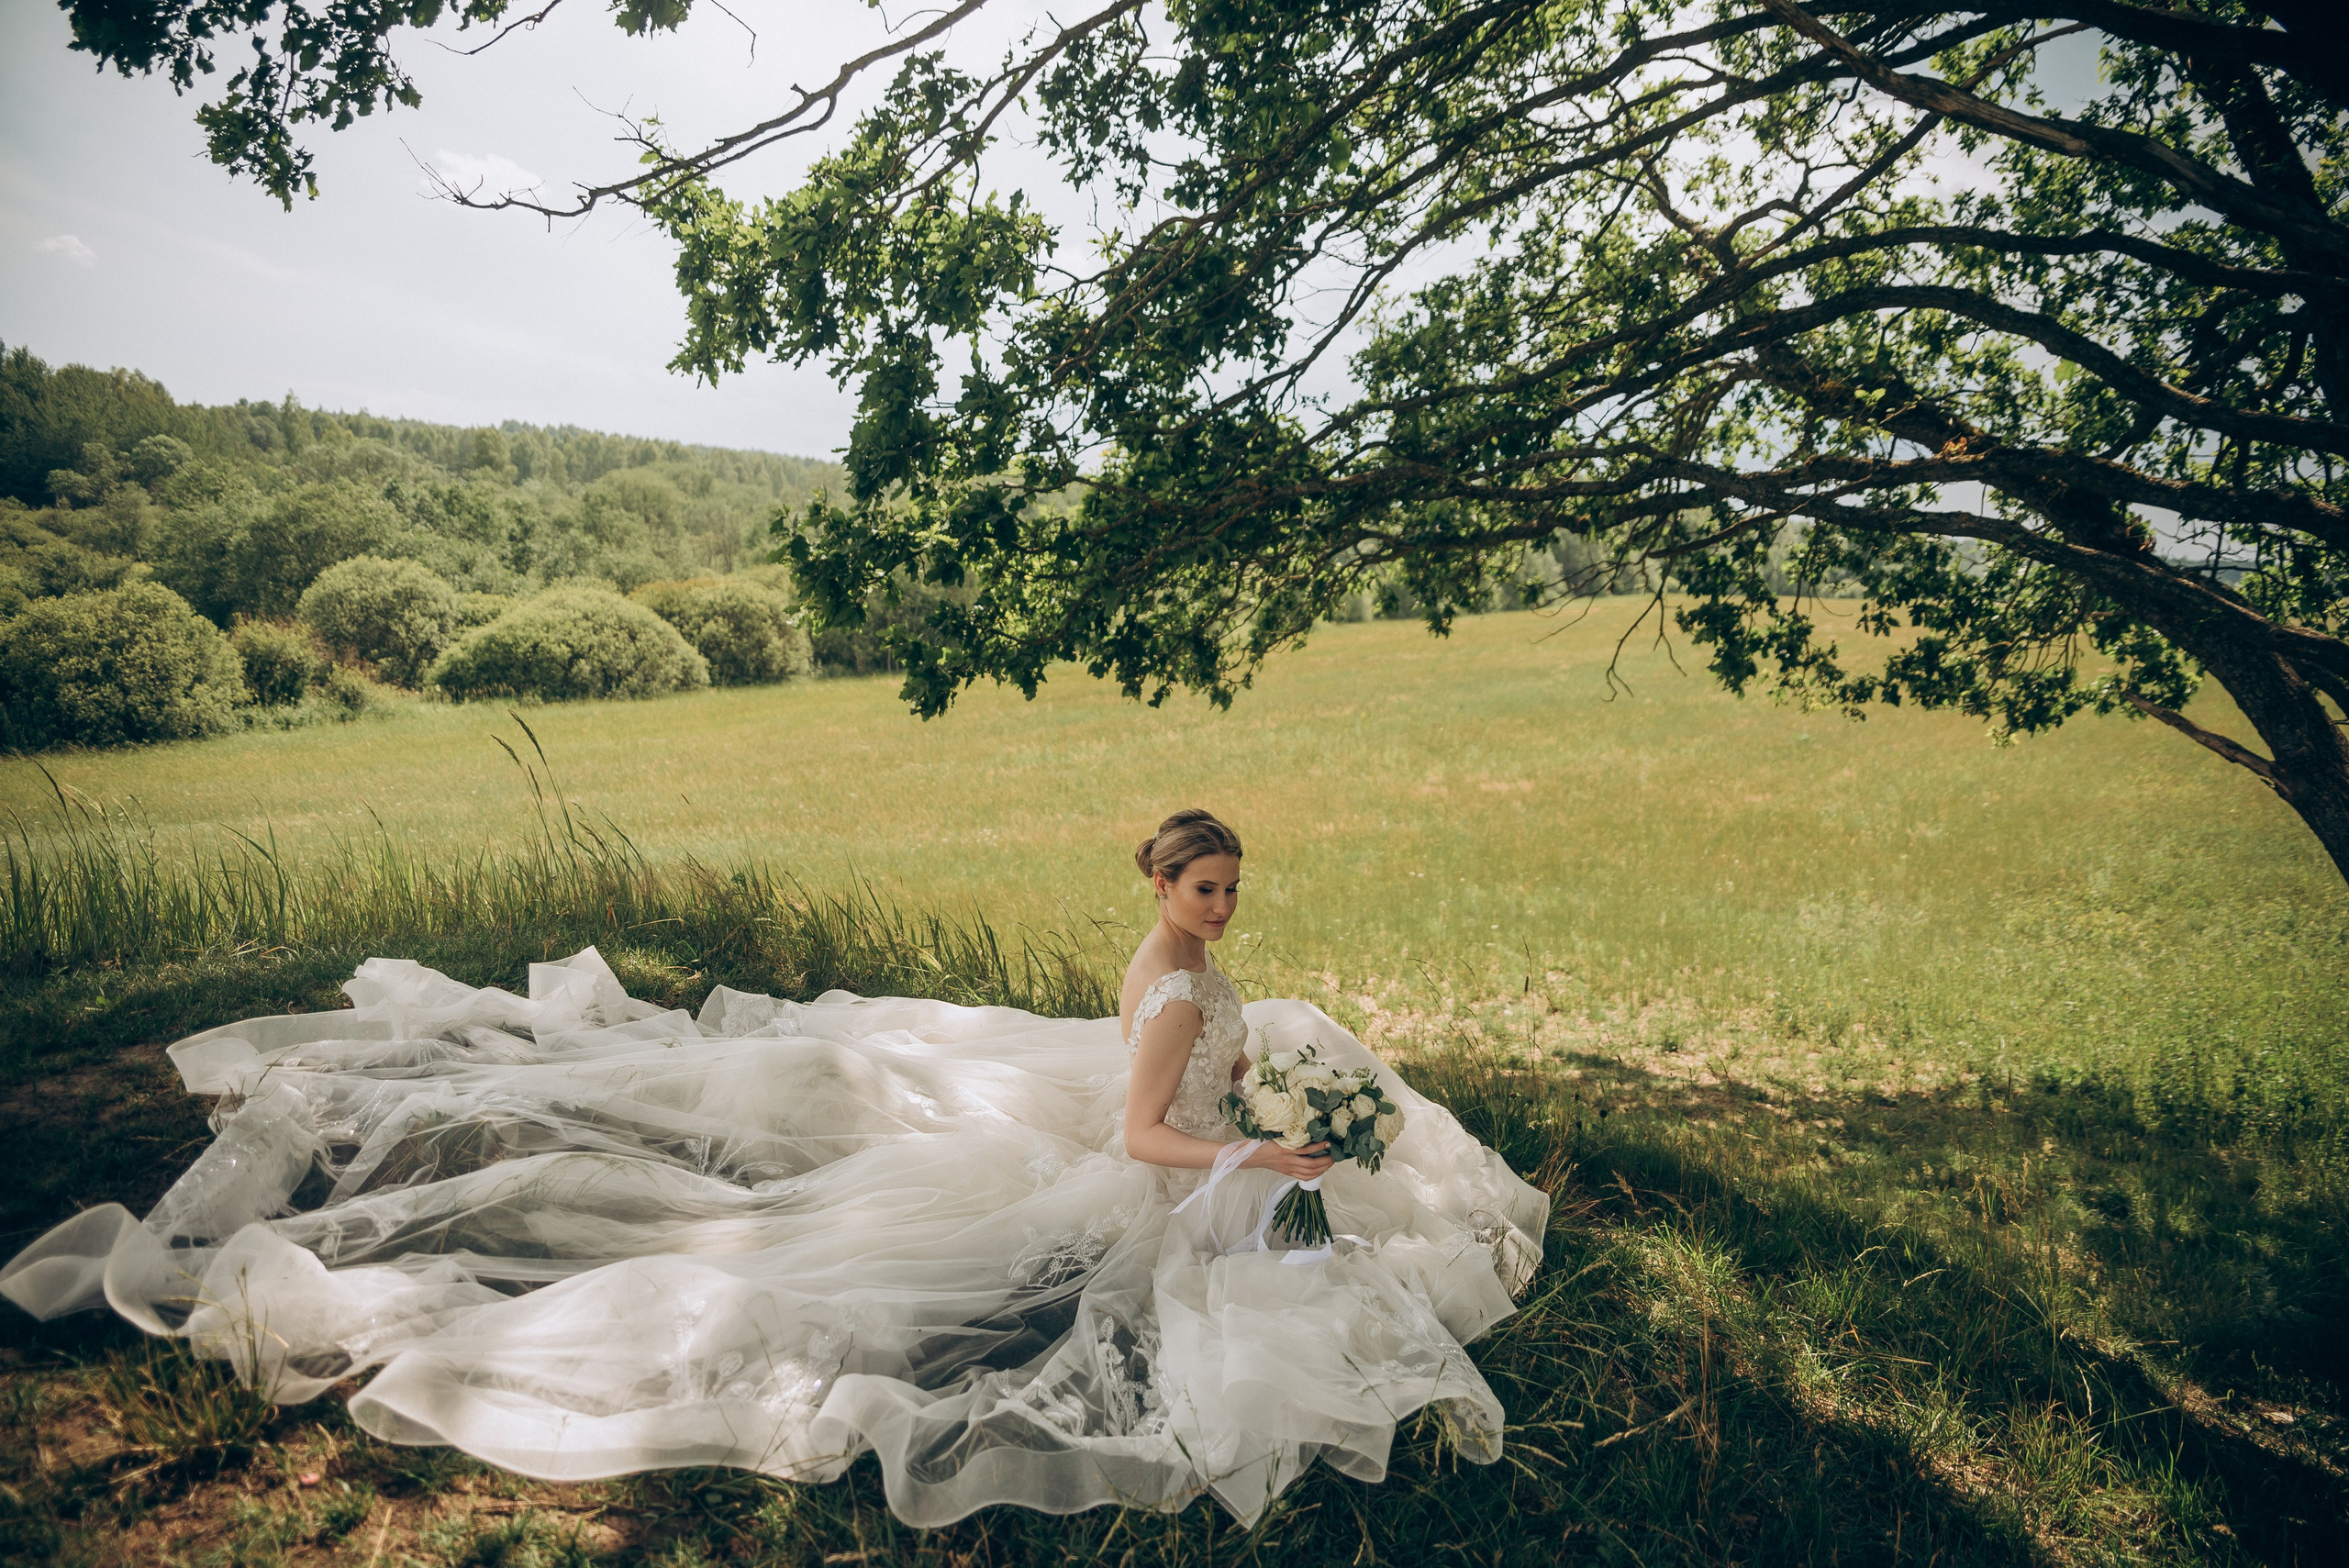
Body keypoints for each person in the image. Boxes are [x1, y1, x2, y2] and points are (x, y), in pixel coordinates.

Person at [0, 809, 1547, 1526]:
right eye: (1205, 887)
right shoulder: (1182, 988)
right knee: (864, 1270)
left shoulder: (1175, 966)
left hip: (1191, 1136)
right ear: (1160, 883)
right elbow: (1147, 1132)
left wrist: (1252, 1100)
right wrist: (1257, 1142)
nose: (1222, 905)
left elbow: (1170, 1074)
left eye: (1233, 887)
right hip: (1160, 1174)